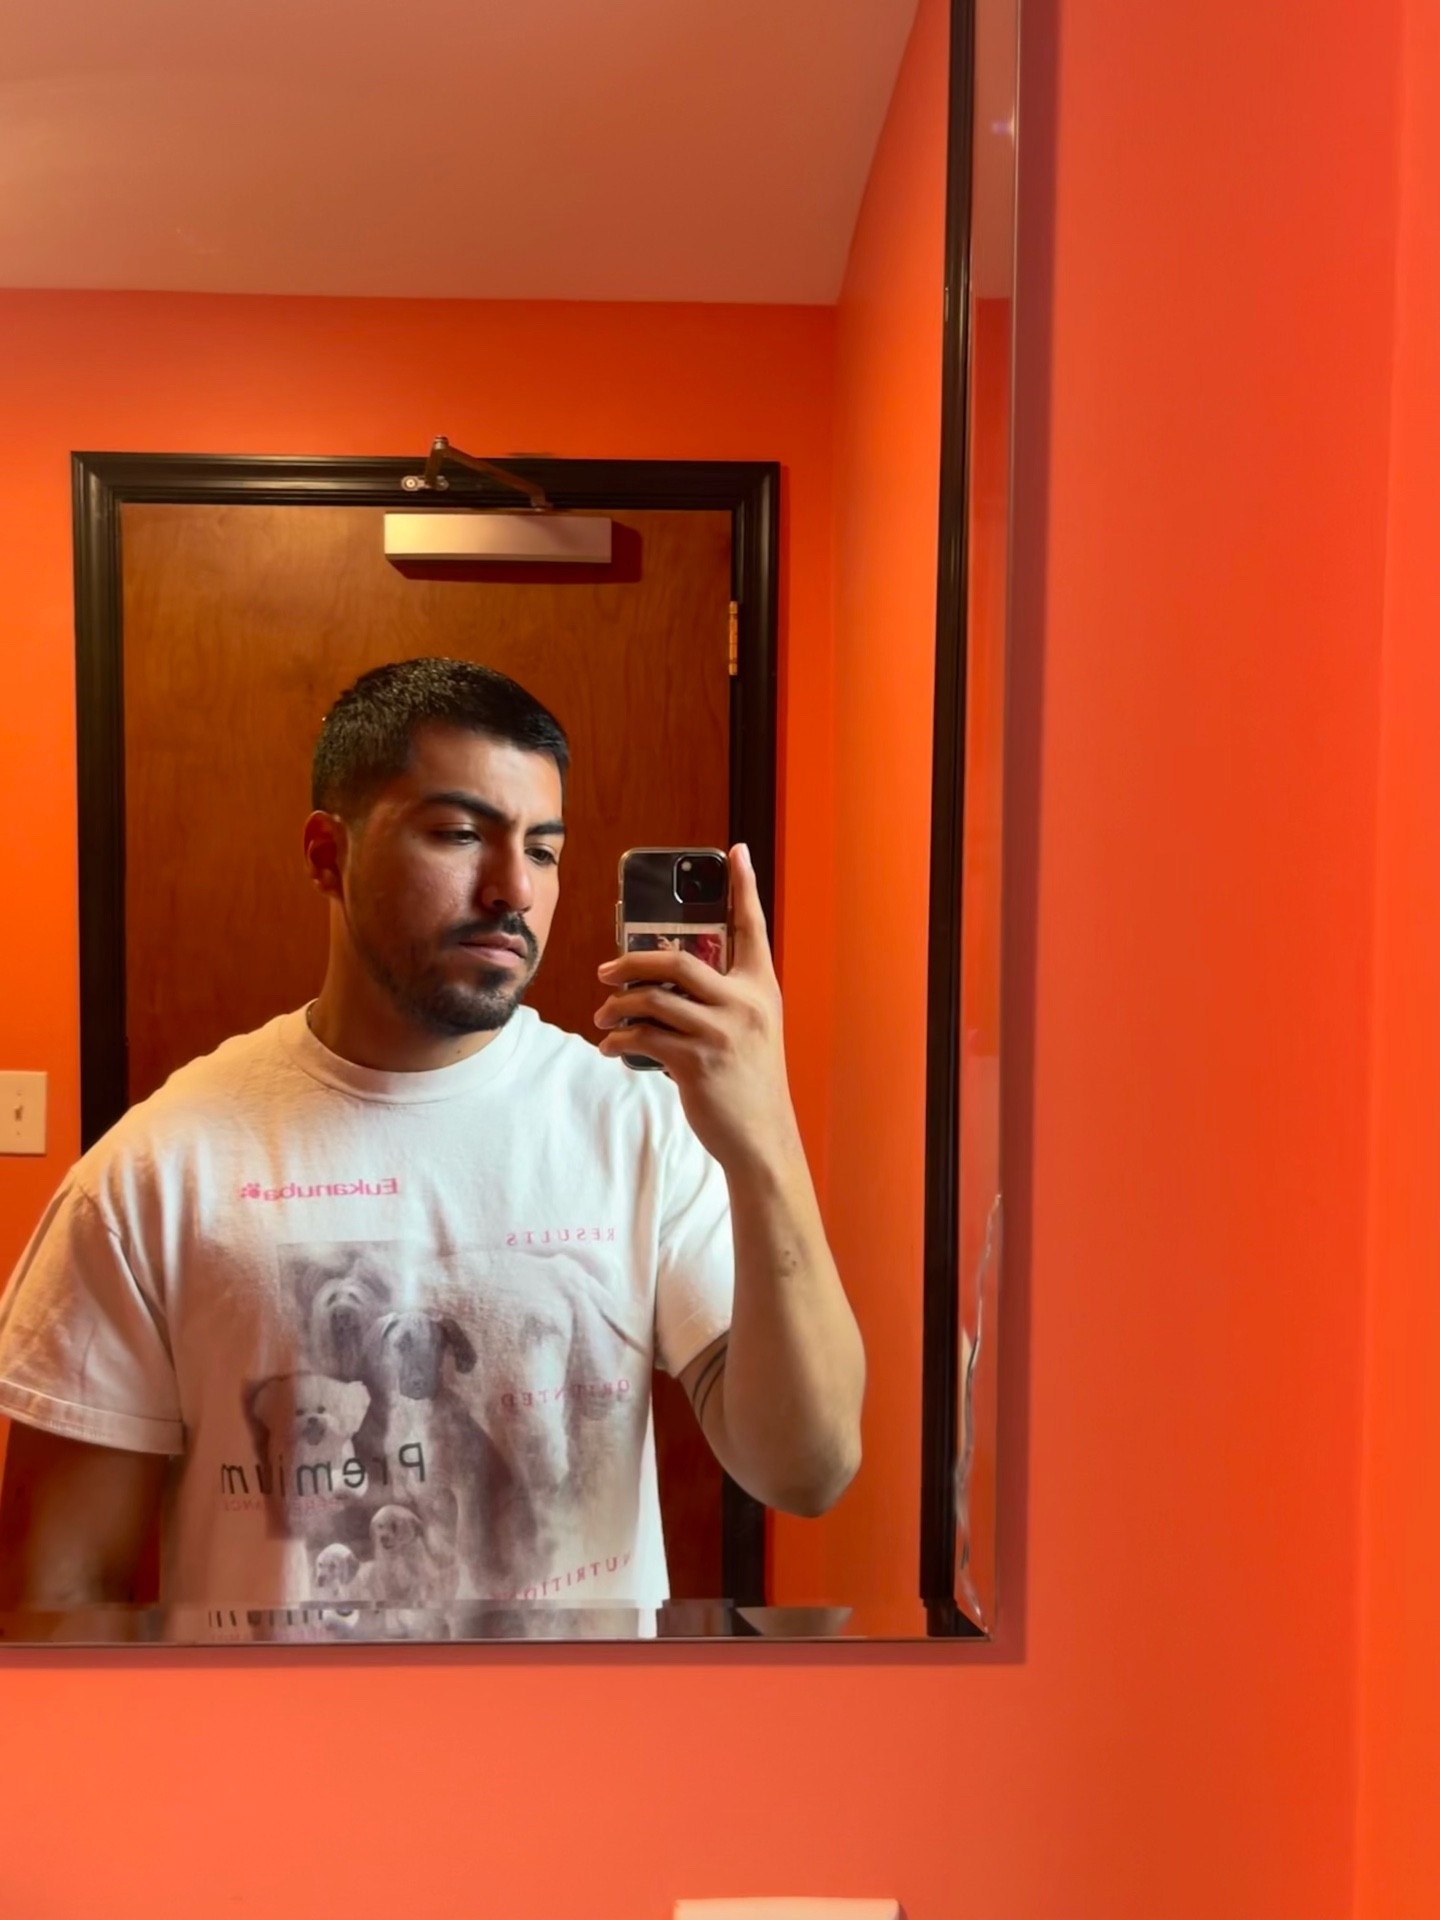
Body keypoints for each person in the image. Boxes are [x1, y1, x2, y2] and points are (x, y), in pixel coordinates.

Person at [0, 657, 863, 1611]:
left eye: (543, 850)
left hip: (584, 1716)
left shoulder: (638, 1125)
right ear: (327, 854)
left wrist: (763, 1133)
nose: (513, 889)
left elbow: (808, 1468)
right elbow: (55, 1591)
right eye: (460, 834)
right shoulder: (157, 1171)